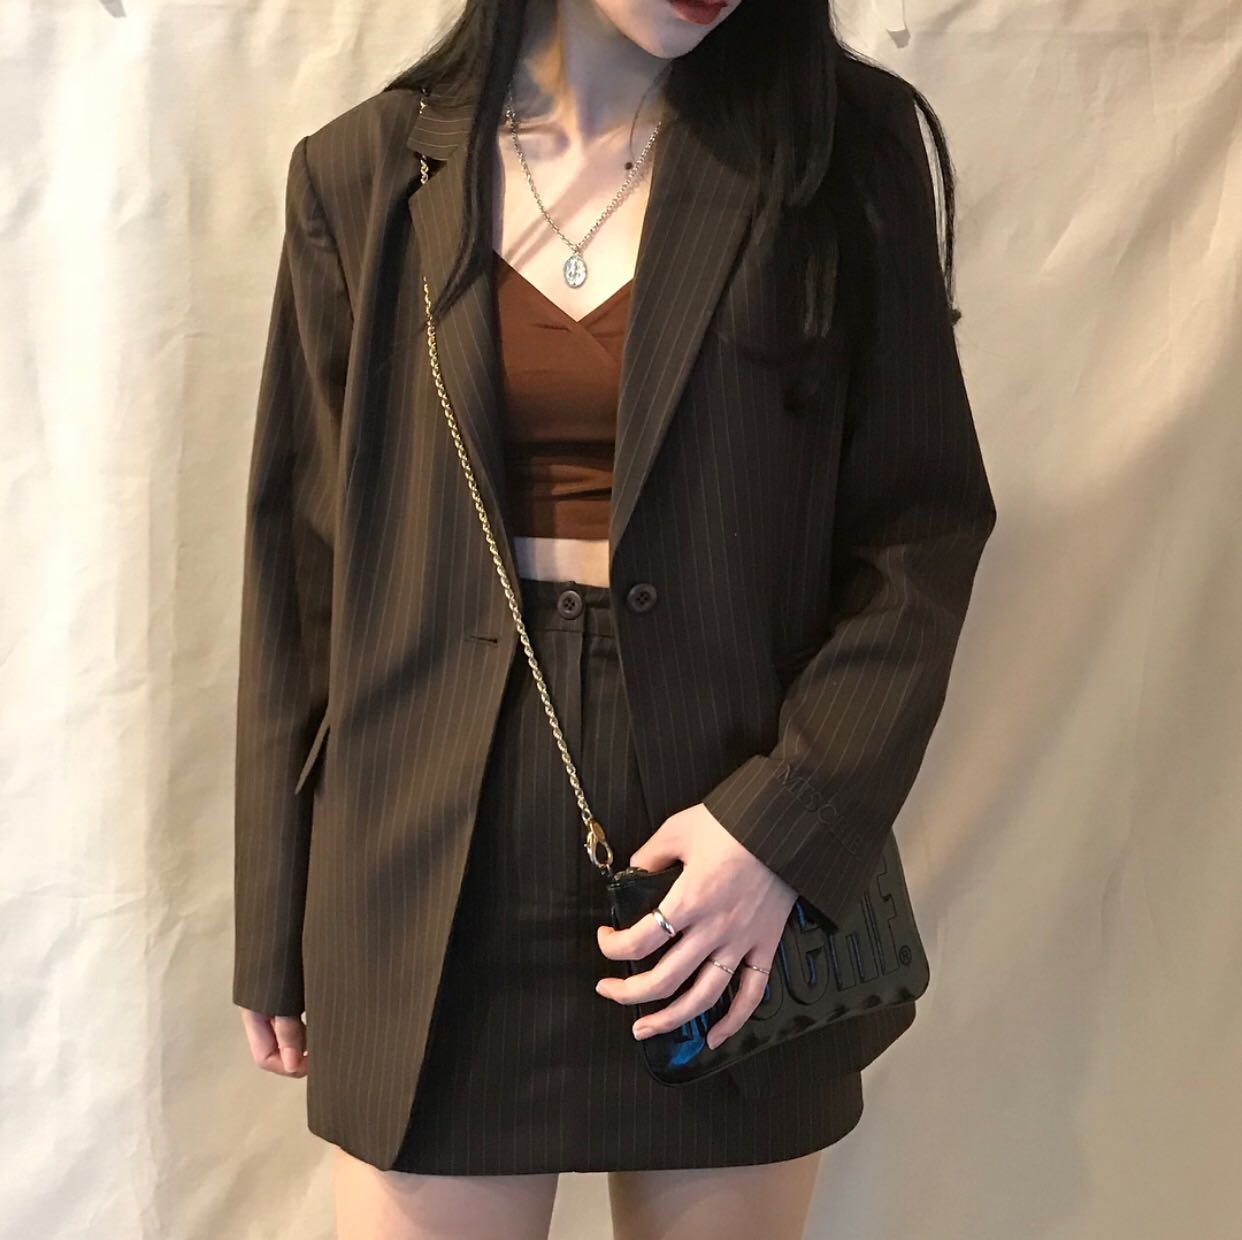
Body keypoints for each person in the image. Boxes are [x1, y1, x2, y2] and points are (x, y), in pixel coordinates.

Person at [232, 0, 997, 1236]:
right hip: (424, 879)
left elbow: (920, 534)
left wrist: (785, 828)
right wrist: (275, 910)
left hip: (727, 879)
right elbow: (301, 562)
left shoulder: (835, 154)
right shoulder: (364, 173)